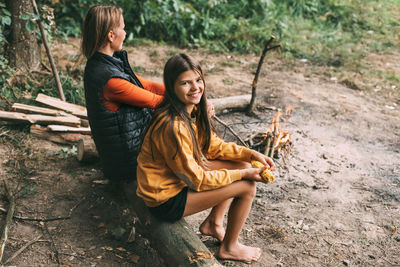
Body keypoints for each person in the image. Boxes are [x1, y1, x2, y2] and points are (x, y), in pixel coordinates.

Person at [136, 53, 275, 262]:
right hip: (164, 199)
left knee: (241, 163)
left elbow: (213, 147)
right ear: (171, 86)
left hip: (176, 182)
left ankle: (213, 223)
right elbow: (196, 180)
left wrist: (251, 153)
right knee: (247, 185)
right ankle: (229, 247)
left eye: (198, 80)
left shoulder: (188, 111)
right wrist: (243, 174)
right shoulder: (173, 126)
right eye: (185, 83)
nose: (195, 88)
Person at [81, 5, 165, 182]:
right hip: (128, 167)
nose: (125, 33)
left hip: (125, 156)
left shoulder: (103, 64)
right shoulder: (109, 79)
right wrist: (196, 105)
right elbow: (157, 102)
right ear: (111, 35)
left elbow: (146, 85)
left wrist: (185, 89)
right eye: (123, 28)